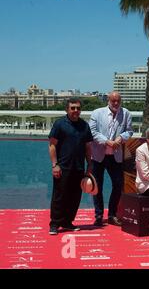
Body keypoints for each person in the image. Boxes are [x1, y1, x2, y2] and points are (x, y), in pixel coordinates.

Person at [48, 97, 93, 235]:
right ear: (67, 109)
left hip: (78, 168)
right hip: (62, 167)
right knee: (59, 196)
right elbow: (52, 145)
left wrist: (89, 165)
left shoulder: (84, 126)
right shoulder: (59, 124)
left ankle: (67, 222)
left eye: (78, 108)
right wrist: (55, 165)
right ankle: (55, 224)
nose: (75, 110)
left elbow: (87, 147)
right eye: (73, 108)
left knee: (74, 197)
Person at [89, 91, 133, 227]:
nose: (116, 103)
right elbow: (92, 131)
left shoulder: (126, 113)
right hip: (98, 155)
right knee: (97, 187)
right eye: (113, 101)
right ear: (108, 100)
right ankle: (98, 215)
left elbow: (129, 131)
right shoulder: (97, 113)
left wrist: (121, 138)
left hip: (116, 156)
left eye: (118, 101)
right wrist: (107, 141)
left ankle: (112, 214)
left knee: (118, 185)